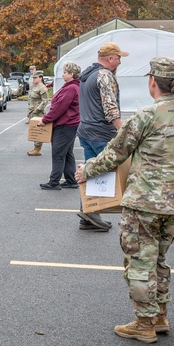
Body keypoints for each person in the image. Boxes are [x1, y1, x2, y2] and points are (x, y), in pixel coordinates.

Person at [75, 57, 174, 344]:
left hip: (146, 202)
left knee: (139, 262)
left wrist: (87, 171)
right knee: (158, 257)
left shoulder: (146, 115)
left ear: (153, 82)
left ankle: (144, 324)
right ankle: (160, 316)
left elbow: (116, 152)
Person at [76, 42, 128, 231]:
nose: (120, 61)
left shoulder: (87, 75)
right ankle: (92, 212)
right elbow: (110, 108)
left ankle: (88, 214)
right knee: (102, 173)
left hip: (86, 130)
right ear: (110, 58)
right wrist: (123, 132)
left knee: (88, 172)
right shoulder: (104, 76)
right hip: (101, 132)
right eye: (119, 57)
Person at [39, 62, 80, 191]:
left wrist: (45, 120)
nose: (62, 75)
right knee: (67, 153)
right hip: (70, 124)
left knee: (58, 153)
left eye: (65, 72)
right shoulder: (73, 86)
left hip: (65, 125)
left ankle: (54, 181)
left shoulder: (71, 88)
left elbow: (59, 108)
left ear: (71, 74)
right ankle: (70, 180)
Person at [26, 71, 50, 156]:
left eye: (35, 78)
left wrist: (37, 109)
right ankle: (35, 148)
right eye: (33, 78)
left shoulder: (42, 88)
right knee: (33, 130)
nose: (34, 79)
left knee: (38, 130)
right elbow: (31, 100)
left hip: (38, 112)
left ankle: (38, 148)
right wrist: (29, 111)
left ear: (40, 78)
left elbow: (45, 101)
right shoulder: (33, 87)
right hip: (33, 111)